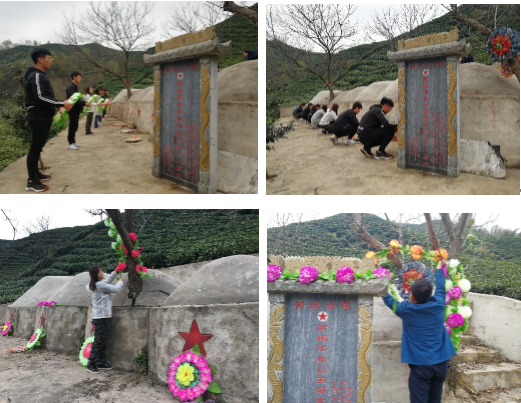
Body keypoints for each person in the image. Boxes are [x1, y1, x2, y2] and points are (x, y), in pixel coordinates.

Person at [382, 259, 456, 403]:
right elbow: (441, 287)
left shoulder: (405, 310)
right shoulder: (439, 304)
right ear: (430, 293)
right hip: (441, 364)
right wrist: (440, 268)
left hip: (421, 367)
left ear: (412, 295)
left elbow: (388, 300)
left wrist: (381, 280)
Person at [24, 48, 73, 192]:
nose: (51, 61)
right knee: (35, 148)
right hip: (38, 115)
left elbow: (45, 97)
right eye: (49, 58)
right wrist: (61, 103)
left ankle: (36, 174)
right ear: (40, 59)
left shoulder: (40, 75)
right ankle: (31, 181)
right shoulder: (36, 75)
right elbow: (40, 97)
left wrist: (57, 105)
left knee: (38, 147)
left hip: (43, 115)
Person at [86, 265, 124, 374]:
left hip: (102, 317)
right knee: (99, 341)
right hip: (101, 317)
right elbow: (116, 289)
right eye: (101, 271)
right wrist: (121, 281)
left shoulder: (97, 284)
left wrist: (115, 272)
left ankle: (101, 361)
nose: (102, 272)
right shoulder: (99, 285)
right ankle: (91, 363)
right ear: (97, 274)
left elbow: (107, 281)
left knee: (102, 340)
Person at [66, 71, 87, 150]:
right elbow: (74, 100)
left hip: (76, 110)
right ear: (74, 77)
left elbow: (78, 99)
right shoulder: (71, 87)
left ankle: (73, 142)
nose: (80, 79)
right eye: (79, 77)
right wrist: (84, 103)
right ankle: (70, 144)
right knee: (72, 126)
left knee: (75, 126)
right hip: (72, 110)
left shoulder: (75, 87)